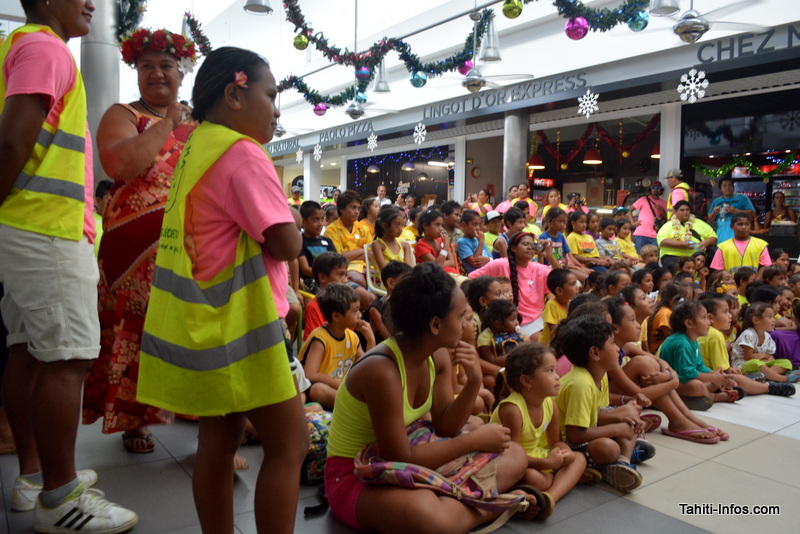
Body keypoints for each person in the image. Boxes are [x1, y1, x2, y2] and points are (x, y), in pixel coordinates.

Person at [136, 47, 308, 534]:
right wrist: (293, 217)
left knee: (217, 443)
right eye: (270, 96)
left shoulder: (196, 147)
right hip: (245, 327)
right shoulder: (242, 152)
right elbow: (286, 243)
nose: (277, 110)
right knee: (290, 444)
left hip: (205, 322)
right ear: (235, 94)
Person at [0, 0, 139, 531]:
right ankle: (61, 500)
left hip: (29, 224)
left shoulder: (21, 46)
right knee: (68, 357)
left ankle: (35, 476)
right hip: (48, 229)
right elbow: (13, 140)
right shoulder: (46, 48)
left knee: (28, 351)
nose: (91, 3)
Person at [324, 263, 541, 532]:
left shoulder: (437, 354)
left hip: (413, 452)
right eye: (461, 317)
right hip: (358, 475)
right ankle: (493, 504)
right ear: (436, 324)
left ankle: (463, 502)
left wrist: (474, 381)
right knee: (427, 515)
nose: (469, 324)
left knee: (516, 454)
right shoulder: (382, 371)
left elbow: (446, 427)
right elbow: (400, 456)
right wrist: (474, 441)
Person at [82, 26, 198, 454]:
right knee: (134, 330)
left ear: (181, 72)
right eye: (146, 66)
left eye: (166, 65)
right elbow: (120, 165)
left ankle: (197, 412)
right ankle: (134, 420)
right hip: (132, 251)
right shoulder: (124, 114)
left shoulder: (200, 123)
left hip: (187, 245)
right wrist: (167, 123)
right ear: (135, 71)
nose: (157, 73)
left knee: (189, 327)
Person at [553, 315, 646, 493]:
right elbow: (574, 436)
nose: (618, 348)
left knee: (631, 412)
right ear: (595, 353)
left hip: (587, 429)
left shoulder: (600, 373)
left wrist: (624, 419)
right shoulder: (580, 383)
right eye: (612, 343)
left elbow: (596, 413)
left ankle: (623, 462)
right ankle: (611, 461)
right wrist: (617, 429)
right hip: (565, 443)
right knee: (608, 448)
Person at [491, 344, 586, 516]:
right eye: (550, 371)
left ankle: (550, 497)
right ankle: (562, 480)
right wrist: (547, 464)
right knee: (533, 478)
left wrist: (566, 453)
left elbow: (555, 441)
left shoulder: (550, 405)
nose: (557, 377)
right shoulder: (513, 410)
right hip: (513, 464)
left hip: (536, 457)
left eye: (556, 370)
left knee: (578, 458)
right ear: (527, 381)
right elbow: (510, 457)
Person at [298, 284, 375, 410]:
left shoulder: (352, 337)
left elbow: (366, 370)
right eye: (355, 311)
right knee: (318, 390)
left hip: (339, 390)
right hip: (311, 390)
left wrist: (370, 340)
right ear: (336, 316)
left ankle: (355, 406)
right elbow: (311, 374)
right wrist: (342, 386)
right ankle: (357, 408)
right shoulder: (320, 338)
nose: (360, 315)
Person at [470, 232, 559, 338]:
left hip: (538, 319)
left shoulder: (539, 269)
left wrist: (549, 256)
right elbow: (470, 279)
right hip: (514, 322)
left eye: (532, 245)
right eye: (525, 244)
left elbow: (562, 279)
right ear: (513, 248)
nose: (529, 247)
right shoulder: (501, 264)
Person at [657, 200, 717, 272]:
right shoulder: (668, 225)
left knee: (711, 270)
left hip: (698, 257)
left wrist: (705, 243)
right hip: (673, 256)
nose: (685, 212)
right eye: (682, 210)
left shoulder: (700, 223)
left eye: (687, 210)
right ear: (675, 212)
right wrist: (681, 244)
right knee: (677, 268)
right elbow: (662, 241)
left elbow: (714, 238)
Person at [326, 190, 369, 288]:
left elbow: (370, 253)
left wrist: (350, 256)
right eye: (353, 207)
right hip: (345, 269)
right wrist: (362, 250)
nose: (357, 212)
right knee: (360, 281)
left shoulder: (363, 228)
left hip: (366, 265)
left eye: (359, 208)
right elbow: (338, 258)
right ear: (342, 209)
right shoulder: (331, 230)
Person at [298, 200, 337, 290]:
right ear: (303, 221)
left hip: (332, 279)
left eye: (322, 219)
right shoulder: (299, 242)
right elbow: (306, 269)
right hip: (312, 282)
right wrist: (328, 276)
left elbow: (336, 263)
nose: (320, 224)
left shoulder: (327, 241)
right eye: (315, 220)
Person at [706, 177, 755, 244]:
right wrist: (714, 213)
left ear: (733, 187)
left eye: (730, 185)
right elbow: (709, 220)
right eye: (725, 185)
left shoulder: (743, 198)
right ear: (720, 189)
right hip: (721, 238)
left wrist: (736, 211)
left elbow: (753, 214)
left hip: (740, 238)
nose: (727, 187)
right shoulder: (716, 201)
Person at [540, 269, 580, 346]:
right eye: (572, 284)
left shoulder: (572, 303)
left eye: (576, 283)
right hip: (550, 345)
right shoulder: (551, 305)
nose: (577, 287)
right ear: (559, 291)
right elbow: (554, 332)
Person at [629, 181, 667, 252]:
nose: (655, 189)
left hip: (656, 234)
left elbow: (666, 218)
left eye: (658, 188)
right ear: (650, 189)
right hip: (641, 233)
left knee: (654, 256)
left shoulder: (664, 203)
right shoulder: (643, 199)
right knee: (640, 255)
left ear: (661, 190)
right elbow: (630, 211)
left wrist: (661, 209)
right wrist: (633, 223)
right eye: (653, 187)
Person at [371, 206, 413, 271]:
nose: (400, 229)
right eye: (397, 225)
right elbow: (385, 271)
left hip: (404, 276)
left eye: (402, 225)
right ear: (384, 226)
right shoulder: (377, 244)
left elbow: (408, 269)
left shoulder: (405, 245)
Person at [456, 209, 491, 274]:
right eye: (474, 224)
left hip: (488, 271)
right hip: (477, 275)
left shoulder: (478, 239)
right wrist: (481, 242)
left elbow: (491, 258)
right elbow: (475, 263)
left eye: (479, 224)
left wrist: (488, 260)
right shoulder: (462, 242)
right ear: (464, 225)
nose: (478, 228)